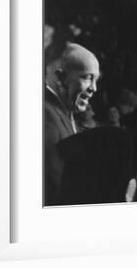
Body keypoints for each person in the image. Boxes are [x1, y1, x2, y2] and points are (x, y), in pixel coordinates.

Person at [44, 42, 100, 206]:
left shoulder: (65, 113)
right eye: (87, 77)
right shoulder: (46, 118)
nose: (94, 88)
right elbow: (54, 188)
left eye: (95, 79)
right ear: (60, 78)